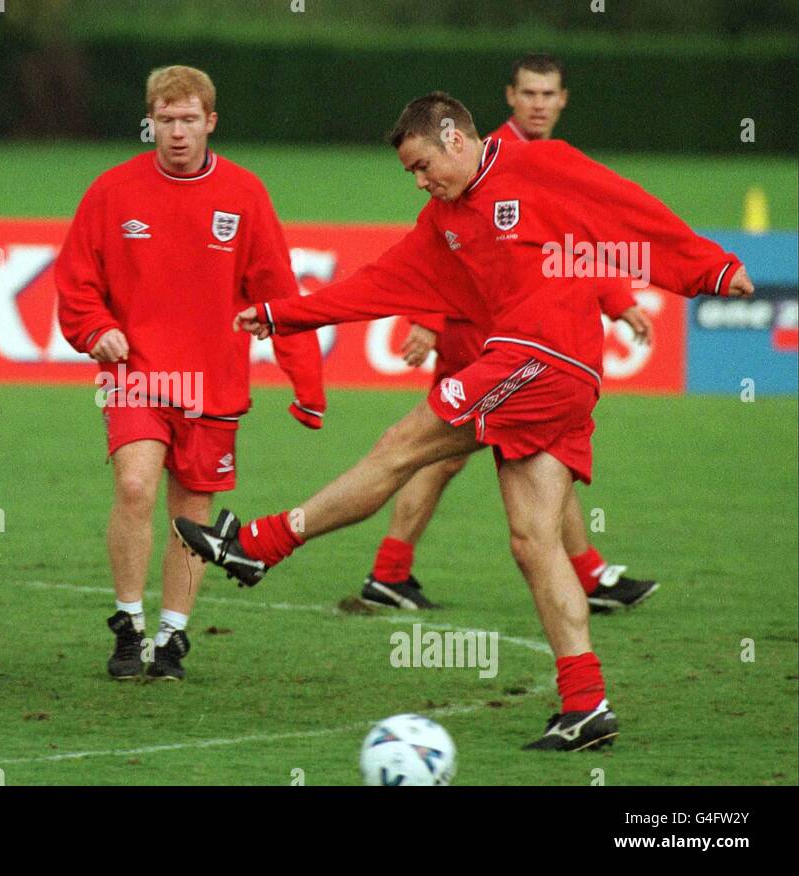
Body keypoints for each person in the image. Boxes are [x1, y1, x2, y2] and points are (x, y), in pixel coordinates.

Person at [175, 92, 752, 749]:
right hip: (553, 377)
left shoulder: (540, 165)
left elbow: (625, 208)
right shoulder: (442, 220)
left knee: (402, 444)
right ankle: (586, 704)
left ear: (453, 136)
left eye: (424, 165)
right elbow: (377, 284)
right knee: (534, 540)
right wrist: (284, 314)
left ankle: (262, 543)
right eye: (411, 175)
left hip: (544, 356)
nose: (422, 182)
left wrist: (710, 267)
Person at [55, 65, 325, 681]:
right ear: (149, 121)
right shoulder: (111, 192)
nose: (176, 133)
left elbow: (280, 294)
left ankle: (172, 637)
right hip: (136, 375)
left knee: (192, 514)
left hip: (214, 384)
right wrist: (96, 331)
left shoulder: (246, 194)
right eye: (165, 120)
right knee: (134, 487)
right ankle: (128, 625)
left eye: (188, 120)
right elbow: (75, 282)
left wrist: (306, 385)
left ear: (210, 122)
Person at [361, 53, 658, 613]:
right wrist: (428, 319)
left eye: (548, 95)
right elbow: (443, 245)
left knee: (467, 453)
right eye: (529, 94)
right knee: (452, 450)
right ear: (511, 97)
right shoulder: (481, 156)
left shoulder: (544, 159)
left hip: (519, 334)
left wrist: (615, 298)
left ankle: (392, 571)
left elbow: (577, 238)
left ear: (563, 99)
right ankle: (585, 576)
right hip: (483, 331)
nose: (539, 104)